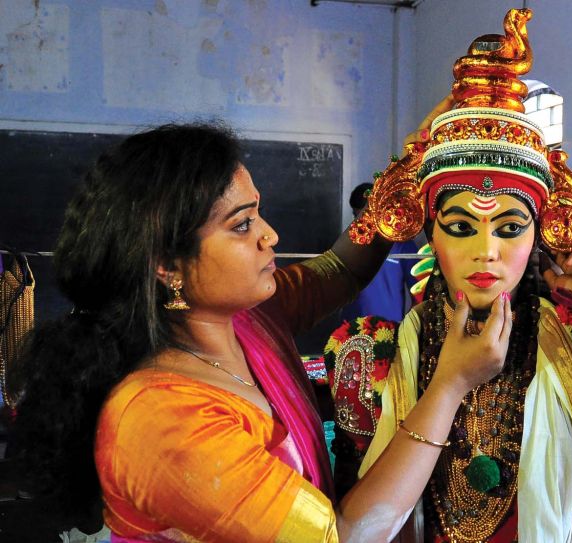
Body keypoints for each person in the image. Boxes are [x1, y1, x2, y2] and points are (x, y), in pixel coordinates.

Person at [10, 110, 524, 541]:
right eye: (242, 224)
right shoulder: (162, 421)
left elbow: (343, 267)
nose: (270, 235)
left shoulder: (250, 318)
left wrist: (419, 158)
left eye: (259, 214)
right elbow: (340, 536)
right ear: (165, 264)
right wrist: (451, 385)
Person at [325, 8, 572, 542]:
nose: (487, 252)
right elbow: (352, 531)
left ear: (540, 234)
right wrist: (448, 384)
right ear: (429, 234)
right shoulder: (375, 356)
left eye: (510, 227)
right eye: (461, 226)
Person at [340, 183, 418, 323]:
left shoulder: (401, 245)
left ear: (380, 210)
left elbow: (418, 292)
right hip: (351, 328)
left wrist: (408, 328)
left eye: (366, 217)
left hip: (388, 330)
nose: (360, 223)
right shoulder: (349, 242)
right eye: (356, 217)